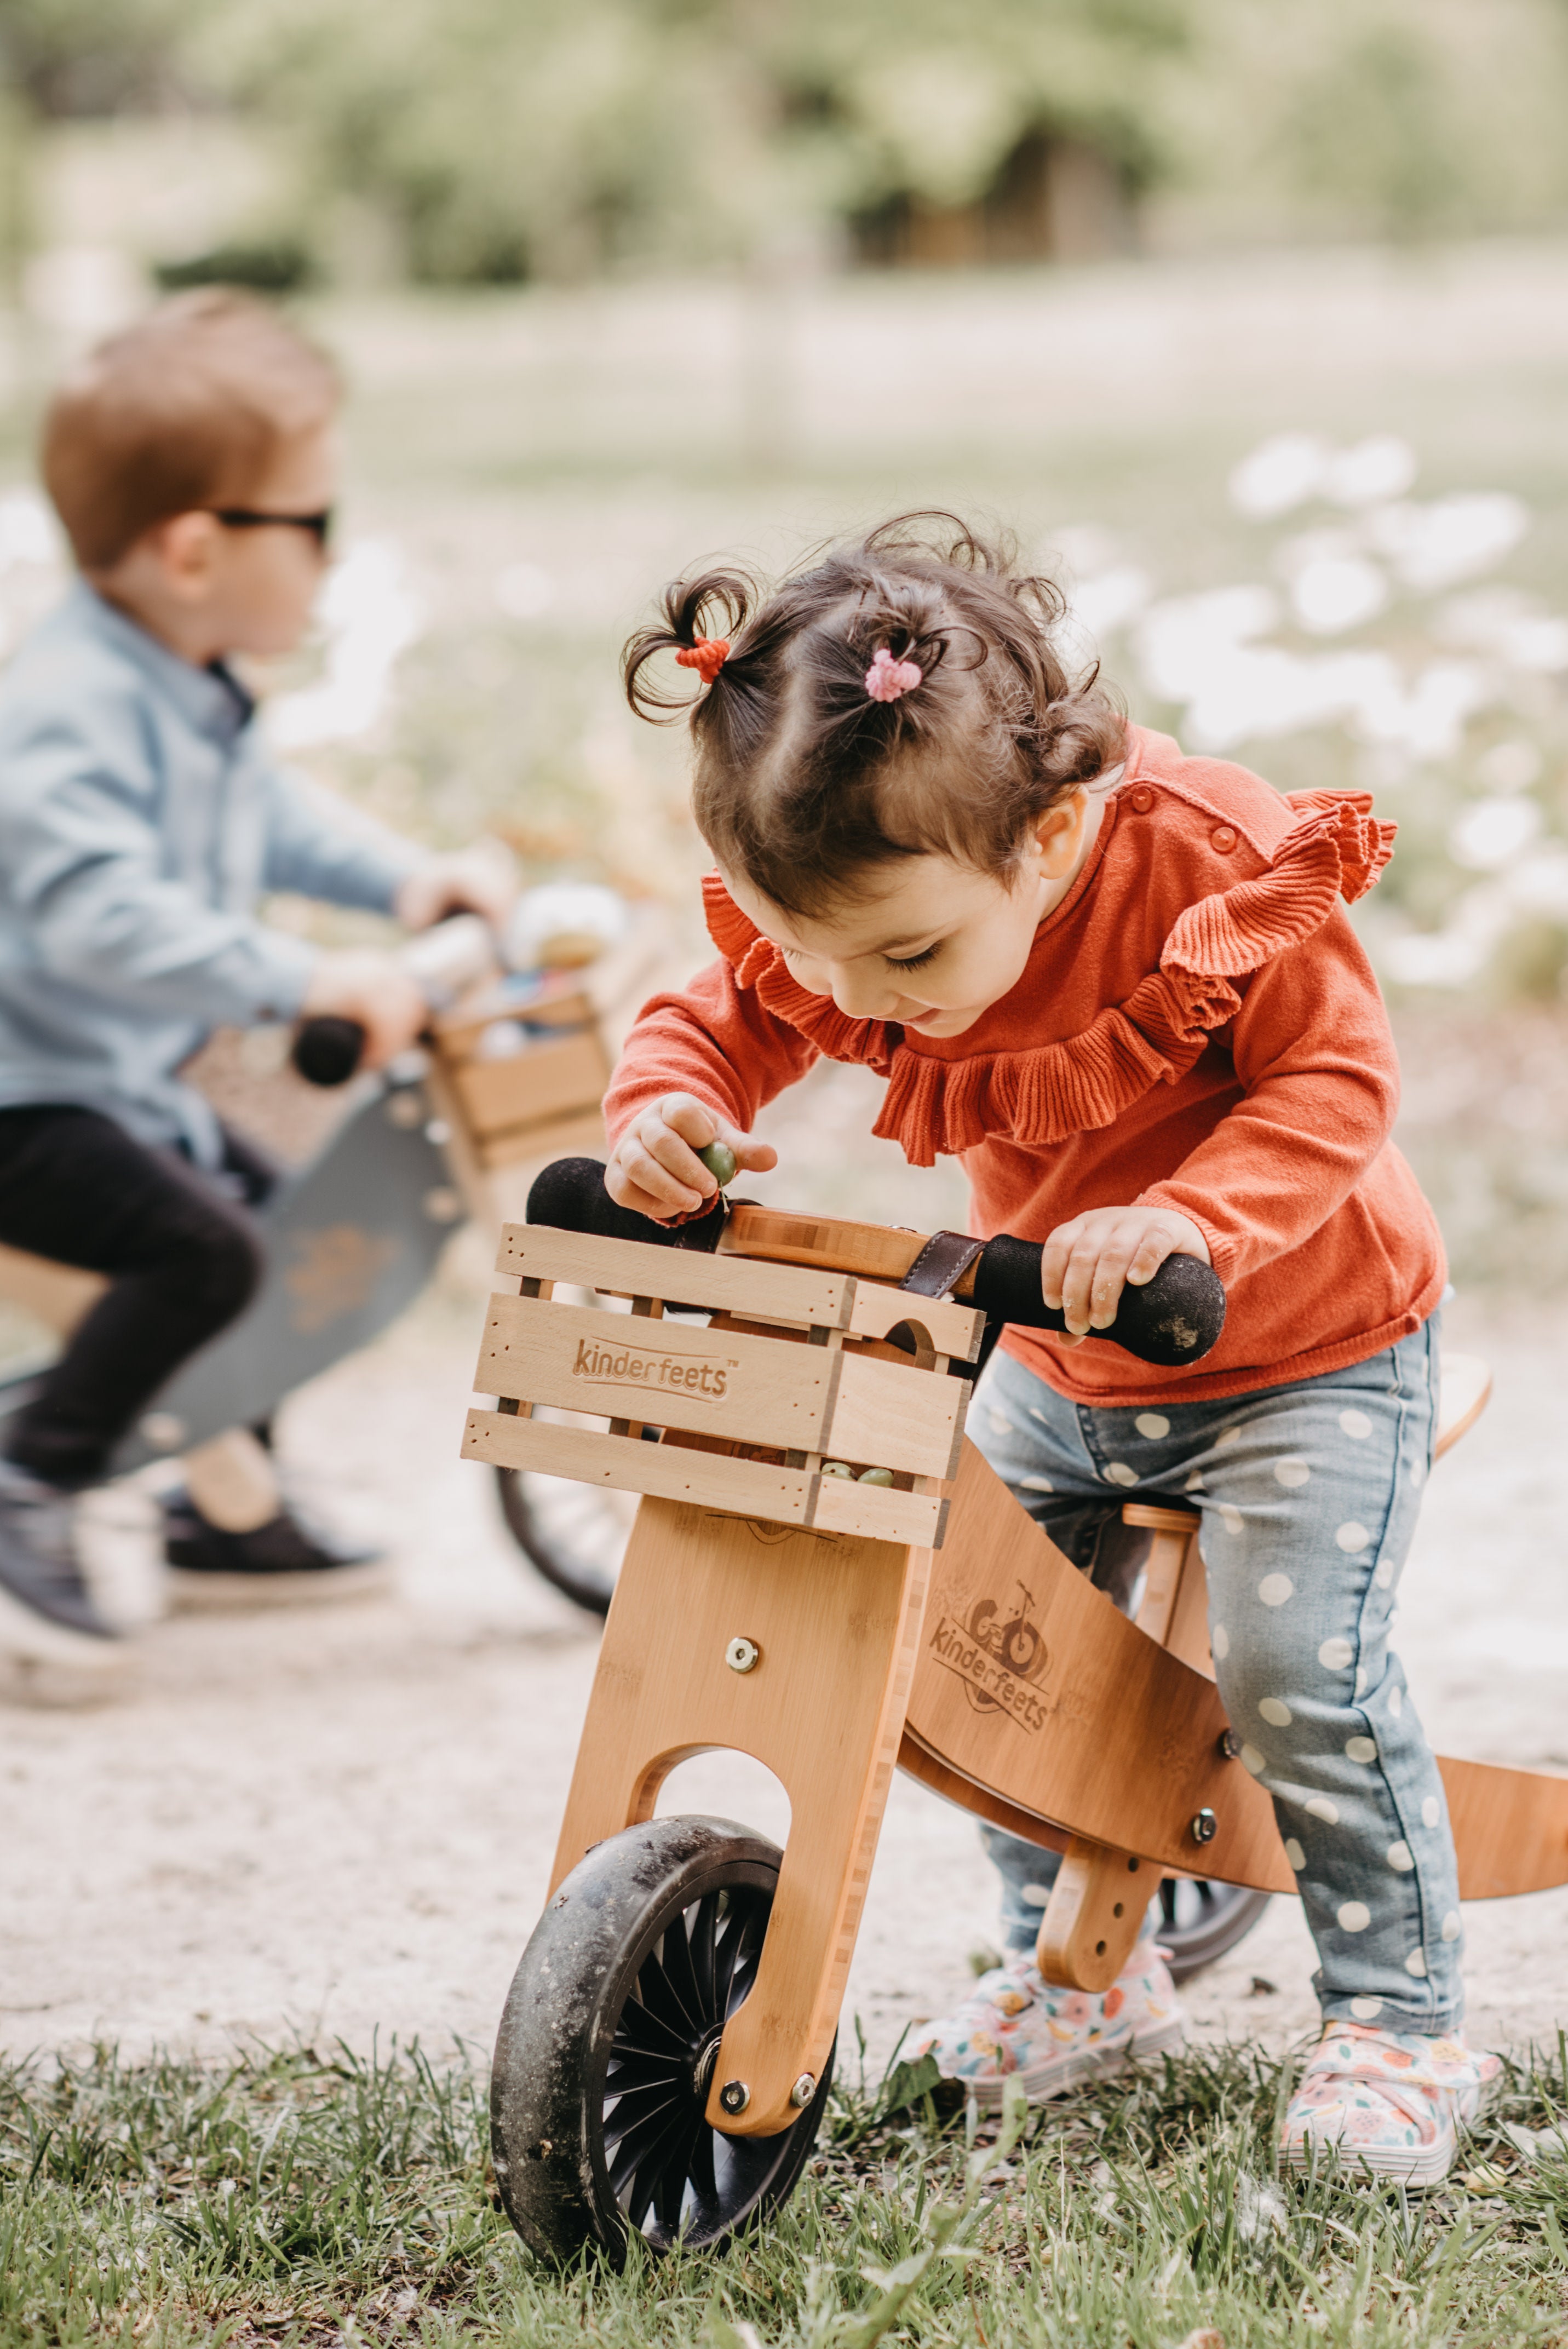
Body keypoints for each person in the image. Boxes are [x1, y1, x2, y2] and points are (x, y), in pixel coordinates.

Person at [599, 513, 1498, 2183]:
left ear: (1050, 835)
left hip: (1303, 1345)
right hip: (1064, 1359)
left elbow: (1333, 1088)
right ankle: (1085, 1976)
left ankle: (1399, 2015)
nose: (850, 996)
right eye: (804, 947)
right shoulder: (851, 909)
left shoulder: (1200, 856)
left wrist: (1191, 1223)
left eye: (907, 955)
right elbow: (715, 1011)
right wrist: (671, 1107)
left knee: (1299, 1678)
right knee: (983, 1652)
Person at [0, 289, 510, 1672]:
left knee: (277, 1229)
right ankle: (30, 1473)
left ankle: (222, 1517)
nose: (331, 558)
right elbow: (98, 920)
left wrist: (407, 885)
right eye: (315, 525)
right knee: (204, 1251)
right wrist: (307, 980)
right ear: (191, 548)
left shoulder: (183, 677)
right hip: (23, 1098)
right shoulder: (69, 712)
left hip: (99, 1082)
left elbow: (269, 821)